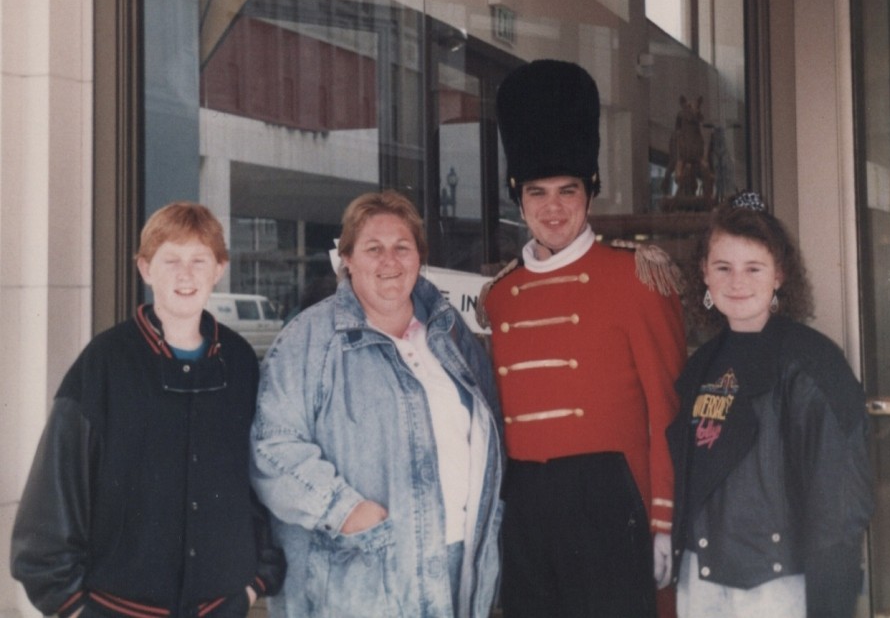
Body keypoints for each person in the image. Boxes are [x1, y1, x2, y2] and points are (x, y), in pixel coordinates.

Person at [479, 59, 686, 617]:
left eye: (567, 191)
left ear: (590, 191)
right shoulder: (498, 296)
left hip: (611, 509)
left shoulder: (638, 279)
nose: (553, 208)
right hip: (526, 513)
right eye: (537, 191)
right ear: (517, 197)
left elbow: (669, 412)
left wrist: (664, 522)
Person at [10, 202, 286, 618]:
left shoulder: (240, 360)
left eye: (199, 260)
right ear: (144, 269)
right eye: (170, 259)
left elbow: (261, 473)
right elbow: (55, 490)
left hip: (221, 606)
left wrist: (254, 583)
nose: (185, 274)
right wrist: (70, 608)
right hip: (116, 608)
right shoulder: (104, 361)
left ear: (219, 269)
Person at [250, 190, 504, 618]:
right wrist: (346, 510)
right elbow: (272, 449)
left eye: (402, 247)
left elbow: (490, 432)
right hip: (362, 578)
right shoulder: (309, 340)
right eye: (373, 248)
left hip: (459, 574)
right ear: (347, 259)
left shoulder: (451, 334)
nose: (390, 260)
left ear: (419, 258)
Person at [666, 191, 874, 617]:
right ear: (704, 273)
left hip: (777, 589)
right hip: (698, 582)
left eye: (753, 267)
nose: (736, 282)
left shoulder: (814, 364)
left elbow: (839, 508)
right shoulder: (700, 364)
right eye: (723, 267)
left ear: (779, 274)